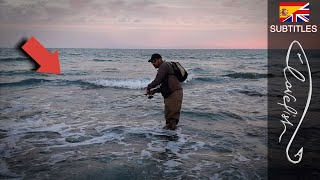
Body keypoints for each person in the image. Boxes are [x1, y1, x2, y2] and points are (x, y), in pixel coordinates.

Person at [146, 53, 183, 130]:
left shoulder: (164, 66)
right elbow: (164, 86)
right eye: (151, 62)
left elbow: (158, 80)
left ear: (159, 59)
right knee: (170, 118)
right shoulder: (166, 67)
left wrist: (149, 86)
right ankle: (172, 138)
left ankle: (170, 139)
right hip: (174, 93)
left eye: (154, 61)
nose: (153, 63)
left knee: (171, 119)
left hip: (174, 94)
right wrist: (154, 91)